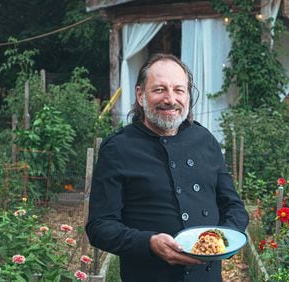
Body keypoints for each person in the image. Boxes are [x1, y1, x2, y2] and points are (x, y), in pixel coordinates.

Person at [86, 53, 249, 282]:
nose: (170, 99)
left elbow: (234, 207)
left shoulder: (205, 140)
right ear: (140, 94)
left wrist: (224, 238)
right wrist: (149, 243)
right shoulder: (118, 148)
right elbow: (99, 227)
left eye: (179, 90)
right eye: (159, 89)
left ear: (188, 95)